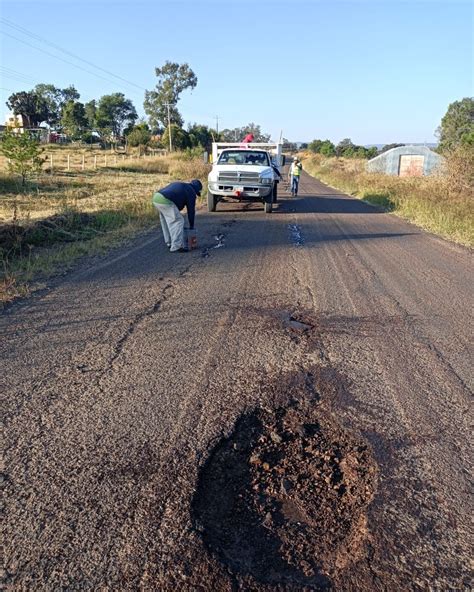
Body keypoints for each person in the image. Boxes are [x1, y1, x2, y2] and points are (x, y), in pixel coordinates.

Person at [152, 179, 202, 252]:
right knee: (178, 221)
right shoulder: (191, 192)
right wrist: (191, 226)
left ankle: (169, 242)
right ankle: (176, 246)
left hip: (156, 197)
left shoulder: (184, 186)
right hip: (165, 200)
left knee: (166, 221)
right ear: (196, 189)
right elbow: (191, 211)